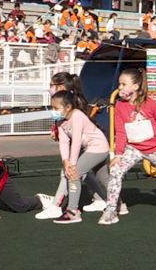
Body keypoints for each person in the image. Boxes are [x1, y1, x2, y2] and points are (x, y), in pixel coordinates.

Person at [98, 68, 156, 225]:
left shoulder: (150, 104)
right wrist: (118, 155)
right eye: (119, 84)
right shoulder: (119, 106)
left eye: (123, 84)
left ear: (135, 87)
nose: (120, 87)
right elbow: (120, 132)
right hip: (134, 148)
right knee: (115, 170)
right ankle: (111, 210)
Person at [47, 91, 110, 225]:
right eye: (52, 108)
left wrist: (72, 164)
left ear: (68, 107)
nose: (53, 111)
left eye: (56, 108)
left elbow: (76, 141)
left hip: (98, 147)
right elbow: (64, 142)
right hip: (90, 149)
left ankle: (72, 212)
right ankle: (119, 204)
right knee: (104, 178)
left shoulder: (77, 116)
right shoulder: (60, 121)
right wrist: (65, 161)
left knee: (73, 174)